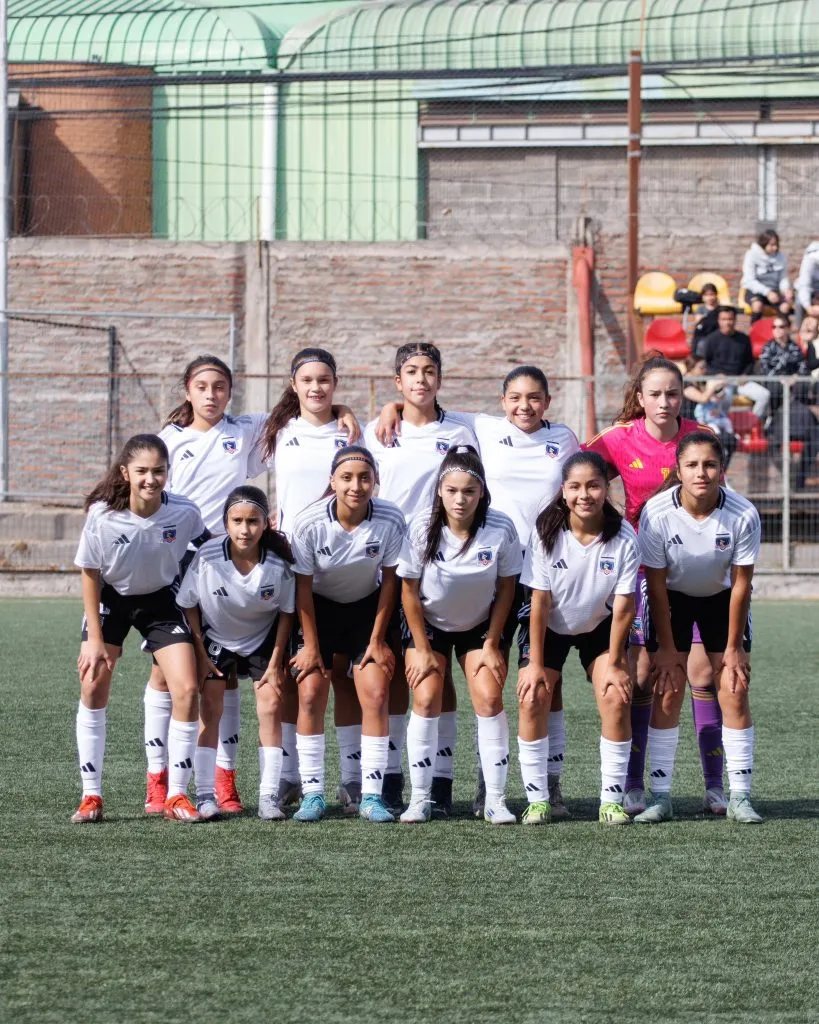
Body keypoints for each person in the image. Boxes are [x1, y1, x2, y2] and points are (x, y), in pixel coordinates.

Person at [145, 354, 357, 818]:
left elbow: (304, 409)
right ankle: (159, 778)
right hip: (178, 556)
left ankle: (225, 781)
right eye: (202, 386)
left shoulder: (246, 430)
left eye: (220, 386)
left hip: (233, 554)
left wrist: (345, 411)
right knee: (169, 672)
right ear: (187, 390)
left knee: (232, 677)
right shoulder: (169, 440)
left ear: (231, 391)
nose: (211, 395)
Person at [373, 362, 580, 817]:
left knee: (545, 683)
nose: (524, 406)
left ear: (547, 401)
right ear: (502, 401)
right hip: (481, 578)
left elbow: (587, 481)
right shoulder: (482, 427)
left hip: (540, 574)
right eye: (515, 398)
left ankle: (544, 784)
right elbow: (424, 406)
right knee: (443, 690)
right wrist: (389, 408)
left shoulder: (563, 439)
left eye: (534, 398)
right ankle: (454, 793)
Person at [586, 356, 727, 816]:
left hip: (698, 573)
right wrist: (606, 528)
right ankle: (632, 785)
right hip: (643, 575)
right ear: (640, 398)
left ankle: (715, 788)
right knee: (643, 675)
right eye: (655, 394)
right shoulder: (619, 438)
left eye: (672, 393)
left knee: (705, 674)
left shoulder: (699, 436)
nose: (664, 402)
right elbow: (577, 476)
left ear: (682, 395)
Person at [72, 434, 209, 824]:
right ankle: (91, 796)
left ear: (169, 472)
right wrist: (94, 639)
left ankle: (178, 796)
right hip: (111, 601)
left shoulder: (184, 512)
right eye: (143, 471)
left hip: (162, 601)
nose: (151, 478)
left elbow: (210, 547)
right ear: (125, 473)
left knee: (185, 688)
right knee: (94, 681)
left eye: (159, 471)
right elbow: (90, 574)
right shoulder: (102, 514)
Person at [365, 342, 478, 815]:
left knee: (438, 674)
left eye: (429, 371)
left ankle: (442, 780)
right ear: (397, 382)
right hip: (388, 566)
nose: (421, 379)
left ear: (440, 378)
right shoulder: (377, 432)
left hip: (442, 566)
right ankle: (390, 777)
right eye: (411, 371)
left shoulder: (462, 430)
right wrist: (384, 412)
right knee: (392, 671)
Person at [635, 431, 763, 825]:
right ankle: (660, 796)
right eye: (692, 465)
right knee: (668, 689)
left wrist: (733, 647)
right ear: (678, 470)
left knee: (733, 689)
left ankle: (740, 796)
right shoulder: (656, 513)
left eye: (709, 465)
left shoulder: (743, 514)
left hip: (721, 600)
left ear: (721, 470)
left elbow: (741, 584)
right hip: (671, 597)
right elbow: (655, 585)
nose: (701, 473)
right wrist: (669, 650)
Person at [259, 347, 364, 814]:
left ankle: (353, 779)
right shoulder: (275, 431)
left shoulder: (352, 433)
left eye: (325, 380)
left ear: (335, 384)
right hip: (289, 564)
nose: (317, 388)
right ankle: (287, 778)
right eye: (308, 380)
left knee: (344, 677)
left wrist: (358, 413)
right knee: (291, 675)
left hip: (343, 566)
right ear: (294, 385)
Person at [397, 445, 522, 824]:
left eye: (469, 490)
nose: (460, 498)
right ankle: (420, 799)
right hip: (429, 625)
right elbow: (408, 591)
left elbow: (507, 588)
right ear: (439, 490)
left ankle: (496, 799)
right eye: (452, 490)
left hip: (481, 626)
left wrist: (492, 643)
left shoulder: (500, 527)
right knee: (427, 693)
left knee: (487, 696)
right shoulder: (421, 527)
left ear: (481, 492)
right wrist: (420, 647)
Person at [516, 452, 639, 824]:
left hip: (599, 626)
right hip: (549, 624)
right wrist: (535, 663)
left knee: (616, 696)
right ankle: (538, 800)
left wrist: (616, 664)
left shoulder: (624, 536)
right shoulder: (546, 530)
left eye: (593, 485)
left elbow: (624, 607)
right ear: (563, 491)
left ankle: (611, 801)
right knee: (533, 694)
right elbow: (538, 601)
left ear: (606, 488)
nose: (584, 494)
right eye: (575, 486)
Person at [289, 446, 406, 823]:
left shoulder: (390, 518)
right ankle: (313, 795)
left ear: (375, 481)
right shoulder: (309, 523)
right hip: (317, 611)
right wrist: (309, 644)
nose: (356, 486)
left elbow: (390, 582)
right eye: (347, 477)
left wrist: (376, 639)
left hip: (365, 611)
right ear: (332, 481)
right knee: (309, 694)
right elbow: (302, 587)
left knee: (375, 691)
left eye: (364, 477)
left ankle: (370, 795)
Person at [175, 487, 295, 820]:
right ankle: (204, 795)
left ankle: (269, 796)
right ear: (226, 522)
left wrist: (275, 661)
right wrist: (200, 651)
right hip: (217, 639)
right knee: (210, 708)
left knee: (270, 706)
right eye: (237, 521)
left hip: (261, 640)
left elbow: (287, 613)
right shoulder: (207, 556)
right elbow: (188, 604)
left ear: (265, 522)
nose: (245, 529)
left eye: (253, 521)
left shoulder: (278, 564)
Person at [697, 306, 770, 422]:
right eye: (724, 319)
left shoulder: (744, 339)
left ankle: (751, 425)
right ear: (719, 321)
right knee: (726, 398)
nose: (727, 322)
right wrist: (716, 375)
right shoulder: (711, 339)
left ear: (735, 320)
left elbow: (750, 362)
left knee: (764, 395)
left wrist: (745, 375)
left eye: (730, 319)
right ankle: (725, 429)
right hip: (720, 381)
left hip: (740, 380)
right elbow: (706, 364)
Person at [682, 357, 737, 468]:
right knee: (719, 443)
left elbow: (714, 398)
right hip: (689, 426)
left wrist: (721, 387)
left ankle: (721, 474)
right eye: (701, 367)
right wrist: (712, 385)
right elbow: (703, 398)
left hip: (704, 422)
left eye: (705, 367)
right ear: (691, 369)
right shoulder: (685, 383)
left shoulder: (700, 382)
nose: (705, 370)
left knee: (731, 441)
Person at [740, 229, 793, 322]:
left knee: (785, 307)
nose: (775, 248)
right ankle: (754, 332)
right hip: (755, 290)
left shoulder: (781, 257)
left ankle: (783, 332)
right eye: (772, 245)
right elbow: (749, 280)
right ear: (763, 244)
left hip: (775, 291)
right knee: (757, 306)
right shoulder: (752, 255)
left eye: (776, 244)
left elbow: (783, 278)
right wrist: (767, 292)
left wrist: (785, 290)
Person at [794, 241, 819, 321]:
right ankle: (798, 329)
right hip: (807, 291)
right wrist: (808, 307)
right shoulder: (810, 260)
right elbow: (804, 286)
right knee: (799, 302)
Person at [691, 282, 720, 349]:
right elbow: (697, 322)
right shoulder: (701, 309)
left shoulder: (719, 309)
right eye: (706, 295)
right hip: (704, 335)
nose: (709, 298)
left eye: (712, 294)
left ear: (716, 295)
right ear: (703, 297)